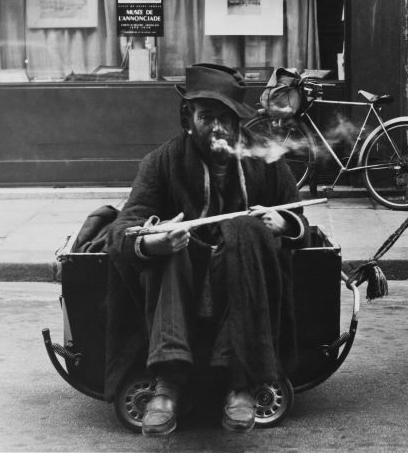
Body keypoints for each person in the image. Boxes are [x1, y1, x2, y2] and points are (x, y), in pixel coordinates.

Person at [104, 63, 308, 436]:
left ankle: (240, 381)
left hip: (244, 275)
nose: (217, 128)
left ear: (238, 122)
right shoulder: (161, 163)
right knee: (172, 239)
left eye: (226, 119)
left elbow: (300, 220)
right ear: (188, 118)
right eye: (207, 117)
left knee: (246, 231)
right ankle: (168, 385)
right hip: (182, 280)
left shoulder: (264, 159)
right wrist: (153, 241)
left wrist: (283, 224)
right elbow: (121, 231)